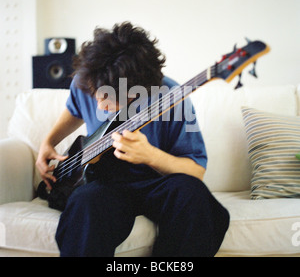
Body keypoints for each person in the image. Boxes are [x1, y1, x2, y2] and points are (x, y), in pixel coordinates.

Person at [36, 21, 229, 257]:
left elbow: (196, 171)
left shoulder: (173, 96)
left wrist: (151, 156)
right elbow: (74, 109)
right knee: (85, 203)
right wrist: (48, 142)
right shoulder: (88, 78)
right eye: (94, 94)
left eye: (109, 99)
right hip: (105, 185)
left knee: (193, 194)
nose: (98, 104)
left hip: (157, 183)